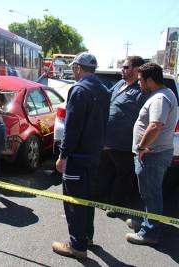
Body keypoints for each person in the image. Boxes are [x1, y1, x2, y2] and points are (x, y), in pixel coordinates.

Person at [53, 52, 110, 259]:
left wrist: (63, 156)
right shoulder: (103, 90)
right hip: (95, 155)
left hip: (78, 156)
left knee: (74, 200)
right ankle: (86, 237)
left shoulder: (79, 90)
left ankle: (77, 245)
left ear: (78, 68)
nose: (73, 72)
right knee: (87, 197)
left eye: (73, 68)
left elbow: (72, 128)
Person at [125, 63, 177, 245]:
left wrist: (141, 147)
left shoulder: (160, 98)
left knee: (152, 193)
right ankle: (147, 221)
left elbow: (155, 125)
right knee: (148, 192)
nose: (139, 83)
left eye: (140, 80)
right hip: (154, 153)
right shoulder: (162, 95)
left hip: (153, 155)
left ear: (150, 80)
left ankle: (151, 232)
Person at [97, 56, 148, 217]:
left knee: (124, 175)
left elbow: (146, 119)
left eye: (126, 67)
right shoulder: (119, 84)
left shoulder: (143, 91)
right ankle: (103, 199)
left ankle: (117, 205)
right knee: (105, 171)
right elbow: (107, 98)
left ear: (137, 69)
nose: (122, 70)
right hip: (106, 141)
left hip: (124, 144)